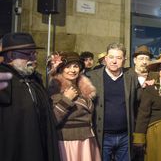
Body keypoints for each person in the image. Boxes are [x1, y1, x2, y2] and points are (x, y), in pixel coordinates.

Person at [0, 32, 60, 161]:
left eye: (34, 54)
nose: (33, 59)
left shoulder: (34, 80)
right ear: (10, 56)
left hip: (37, 148)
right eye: (28, 54)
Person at [89, 43, 139, 161]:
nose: (114, 61)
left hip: (125, 136)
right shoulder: (93, 77)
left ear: (124, 60)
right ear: (106, 58)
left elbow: (139, 101)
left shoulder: (131, 76)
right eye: (111, 57)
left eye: (118, 58)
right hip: (103, 135)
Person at [48, 52, 101, 161]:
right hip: (68, 142)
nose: (72, 70)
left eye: (75, 66)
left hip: (86, 140)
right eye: (67, 67)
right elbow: (52, 119)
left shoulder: (84, 89)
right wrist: (66, 99)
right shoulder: (55, 89)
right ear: (61, 69)